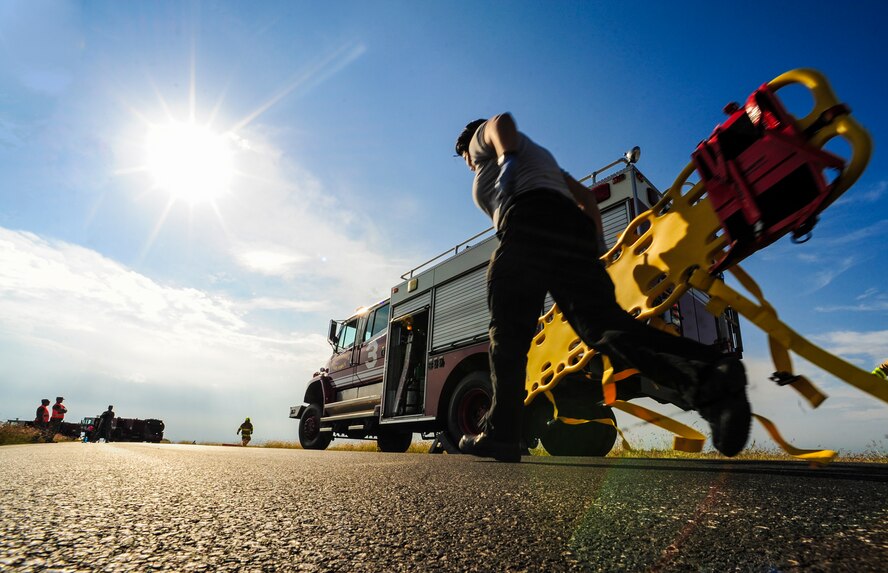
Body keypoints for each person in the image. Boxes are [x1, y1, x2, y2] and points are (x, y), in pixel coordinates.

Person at [454, 113, 751, 462]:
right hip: (570, 227)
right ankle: (710, 379)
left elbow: (499, 122)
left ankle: (501, 433)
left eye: (466, 161)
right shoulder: (545, 162)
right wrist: (593, 245)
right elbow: (586, 198)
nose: (470, 165)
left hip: (526, 225)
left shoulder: (485, 144)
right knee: (604, 329)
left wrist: (505, 162)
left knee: (507, 337)